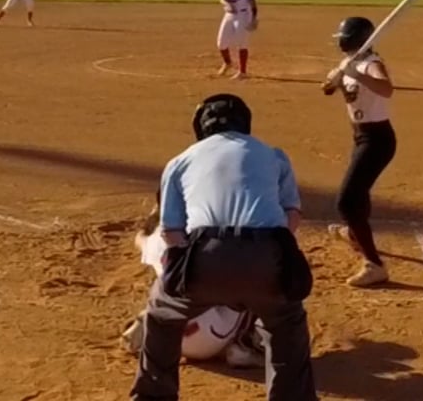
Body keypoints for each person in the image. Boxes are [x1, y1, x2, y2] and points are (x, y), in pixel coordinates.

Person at [132, 94, 317, 401]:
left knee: (162, 314)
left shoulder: (180, 161)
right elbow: (292, 216)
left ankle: (153, 397)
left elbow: (171, 232)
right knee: (286, 322)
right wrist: (270, 253)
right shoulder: (274, 155)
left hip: (206, 253)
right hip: (267, 256)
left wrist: (187, 270)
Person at [121, 196, 267, 369]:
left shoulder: (156, 238)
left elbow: (139, 239)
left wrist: (154, 217)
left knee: (164, 284)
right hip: (210, 334)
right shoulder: (216, 233)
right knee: (257, 276)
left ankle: (149, 321)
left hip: (172, 335)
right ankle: (245, 344)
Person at [320, 16, 396, 288]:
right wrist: (334, 81)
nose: (340, 41)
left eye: (343, 37)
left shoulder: (371, 63)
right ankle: (354, 233)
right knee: (359, 194)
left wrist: (355, 73)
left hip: (378, 140)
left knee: (347, 201)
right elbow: (329, 90)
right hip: (361, 136)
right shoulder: (349, 62)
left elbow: (386, 89)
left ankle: (375, 265)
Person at [217, 0, 259, 80]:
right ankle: (228, 63)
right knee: (221, 43)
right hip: (229, 15)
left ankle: (242, 72)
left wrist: (254, 19)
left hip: (243, 15)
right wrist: (228, 5)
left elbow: (253, 3)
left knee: (242, 43)